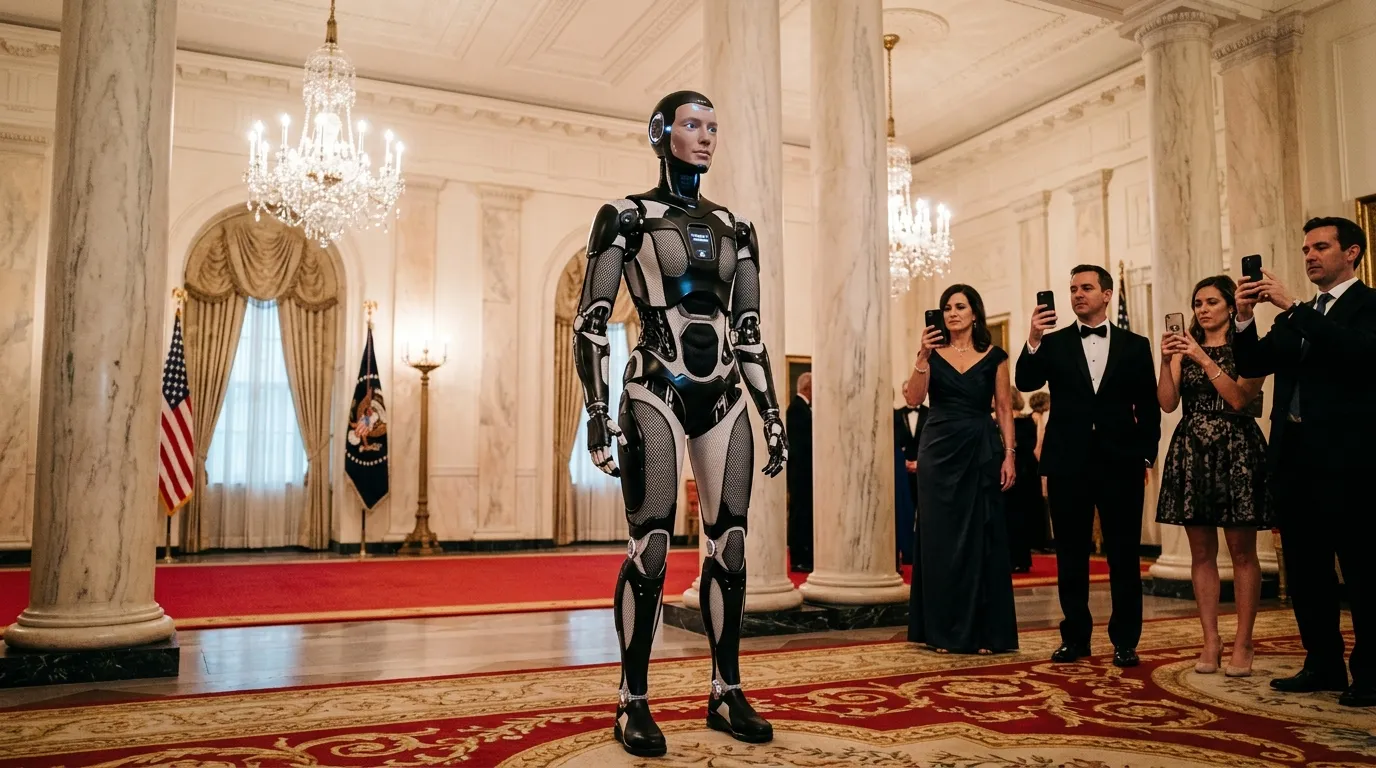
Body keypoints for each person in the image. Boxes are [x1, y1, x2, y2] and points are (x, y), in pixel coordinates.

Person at [572, 91, 789, 755]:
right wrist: (598, 411)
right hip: (654, 389)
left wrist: (773, 413)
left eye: (713, 127)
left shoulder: (737, 227)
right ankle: (631, 701)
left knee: (732, 546)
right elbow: (590, 321)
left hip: (724, 395)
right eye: (693, 125)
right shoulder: (627, 216)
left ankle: (727, 691)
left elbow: (749, 333)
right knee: (653, 546)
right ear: (661, 132)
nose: (705, 137)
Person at [1234, 216, 1376, 708]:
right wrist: (1244, 317)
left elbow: (1357, 354)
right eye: (1306, 249)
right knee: (1308, 570)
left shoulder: (1368, 306)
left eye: (1321, 247)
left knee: (1361, 571)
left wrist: (1294, 306)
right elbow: (1251, 365)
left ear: (1352, 252)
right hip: (1295, 463)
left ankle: (1371, 674)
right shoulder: (1296, 316)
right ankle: (1323, 663)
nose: (1310, 255)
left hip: (1351, 463)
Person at [1016, 265, 1160, 668]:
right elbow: (1026, 382)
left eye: (1086, 288)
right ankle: (1075, 637)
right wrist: (1033, 337)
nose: (1078, 294)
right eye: (1072, 289)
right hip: (1067, 463)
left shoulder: (1135, 344)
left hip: (1121, 463)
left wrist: (1145, 454)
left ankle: (1125, 640)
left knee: (1124, 556)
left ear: (1107, 293)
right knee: (1071, 556)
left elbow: (1147, 406)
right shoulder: (1056, 342)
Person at [1156, 275, 1273, 678]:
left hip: (1236, 449)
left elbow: (1241, 399)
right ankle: (1211, 639)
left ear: (1229, 306)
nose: (1202, 310)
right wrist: (1166, 360)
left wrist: (1204, 359)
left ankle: (1244, 639)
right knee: (1201, 552)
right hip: (1193, 449)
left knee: (1242, 552)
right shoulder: (1184, 348)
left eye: (1211, 302)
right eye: (1197, 303)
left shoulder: (1248, 347)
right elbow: (1168, 404)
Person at [903, 284, 1019, 654]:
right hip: (938, 450)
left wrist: (1010, 454)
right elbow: (913, 398)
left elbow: (1003, 408)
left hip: (981, 448)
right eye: (947, 308)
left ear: (974, 313)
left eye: (960, 307)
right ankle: (941, 630)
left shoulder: (995, 355)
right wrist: (922, 355)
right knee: (940, 540)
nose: (952, 313)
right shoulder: (932, 355)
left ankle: (984, 632)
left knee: (981, 538)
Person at [1005, 390, 1039, 573]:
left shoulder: (1024, 422)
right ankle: (1018, 558)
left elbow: (1026, 446)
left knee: (1017, 517)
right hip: (1021, 471)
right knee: (1015, 517)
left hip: (1021, 472)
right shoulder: (1027, 422)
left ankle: (1019, 559)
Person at [893, 391, 926, 567]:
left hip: (925, 469)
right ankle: (906, 551)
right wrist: (903, 462)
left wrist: (920, 462)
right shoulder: (896, 415)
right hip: (902, 469)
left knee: (924, 511)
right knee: (904, 510)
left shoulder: (929, 413)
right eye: (906, 390)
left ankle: (923, 551)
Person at [787, 373, 813, 573]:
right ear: (808, 387)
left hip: (804, 473)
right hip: (801, 473)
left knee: (805, 514)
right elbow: (801, 444)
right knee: (800, 515)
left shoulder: (802, 408)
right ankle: (799, 557)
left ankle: (806, 555)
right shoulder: (797, 409)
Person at [1027, 391, 1053, 551]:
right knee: (1042, 502)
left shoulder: (1029, 417)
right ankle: (1042, 540)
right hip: (1038, 464)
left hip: (1030, 464)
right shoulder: (1039, 419)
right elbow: (1039, 444)